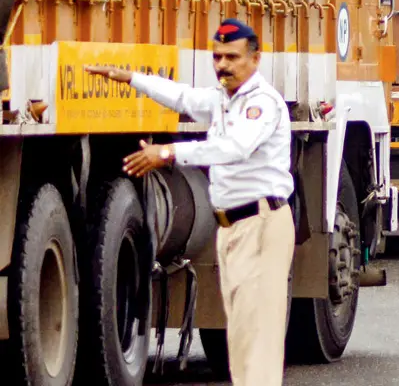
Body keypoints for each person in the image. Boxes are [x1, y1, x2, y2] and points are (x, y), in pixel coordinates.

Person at [86, 19, 294, 385]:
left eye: (232, 57)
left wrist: (167, 152)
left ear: (255, 59)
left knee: (257, 338)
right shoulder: (224, 100)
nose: (222, 65)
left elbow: (234, 148)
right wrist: (130, 78)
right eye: (217, 57)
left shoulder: (260, 103)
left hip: (260, 225)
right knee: (242, 337)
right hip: (233, 228)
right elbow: (181, 96)